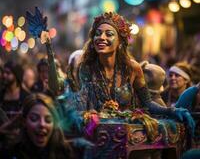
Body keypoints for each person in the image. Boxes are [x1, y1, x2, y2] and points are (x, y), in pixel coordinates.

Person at [25, 9, 195, 136]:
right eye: (98, 34)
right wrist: (49, 48)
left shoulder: (132, 68)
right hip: (99, 133)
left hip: (130, 131)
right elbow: (69, 96)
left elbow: (148, 103)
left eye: (109, 34)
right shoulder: (87, 67)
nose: (102, 38)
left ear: (120, 41)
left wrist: (171, 111)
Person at [0, 93, 74, 159]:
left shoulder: (66, 151)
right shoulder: (12, 152)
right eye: (34, 119)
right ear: (24, 122)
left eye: (48, 120)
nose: (42, 124)